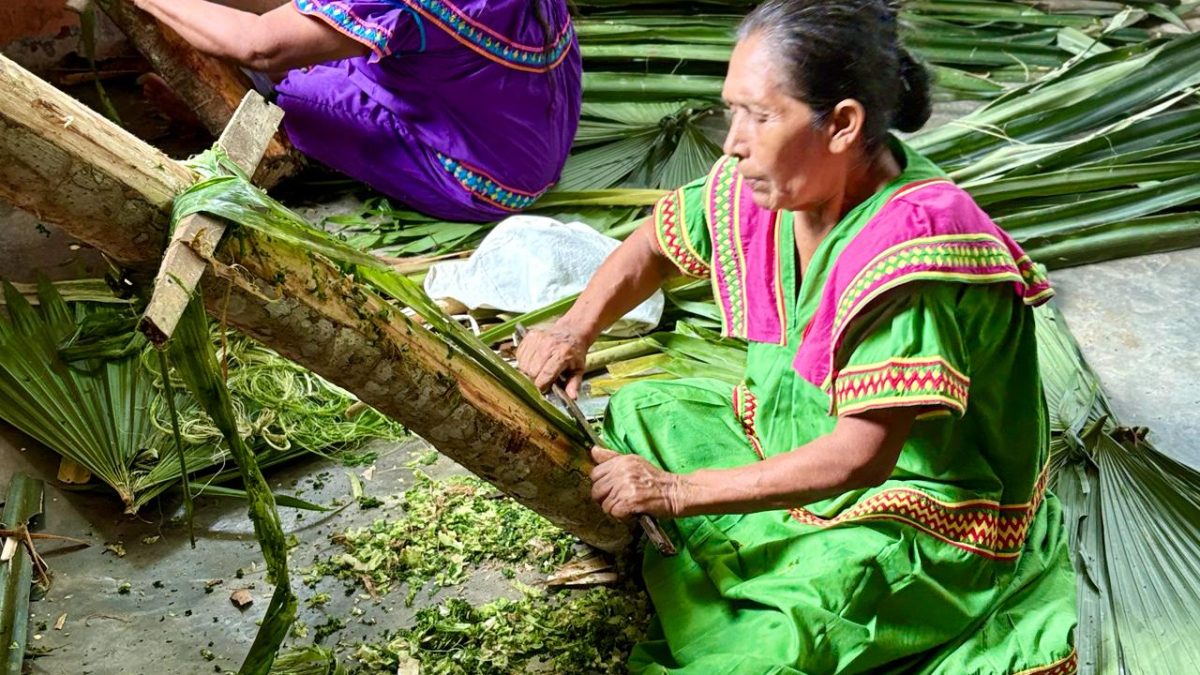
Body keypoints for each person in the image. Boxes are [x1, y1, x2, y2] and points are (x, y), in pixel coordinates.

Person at [516, 1, 1078, 672]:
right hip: (786, 434)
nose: (733, 141)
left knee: (772, 650)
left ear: (842, 124)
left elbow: (860, 457)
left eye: (759, 116)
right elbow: (655, 246)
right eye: (732, 111)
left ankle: (769, 580)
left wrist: (676, 492)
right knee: (644, 409)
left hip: (913, 506)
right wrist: (573, 328)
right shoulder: (773, 185)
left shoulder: (913, 255)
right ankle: (747, 551)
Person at [131, 0, 581, 222]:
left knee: (293, 87)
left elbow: (258, 46)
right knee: (325, 29)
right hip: (530, 123)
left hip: (485, 177)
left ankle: (215, 110)